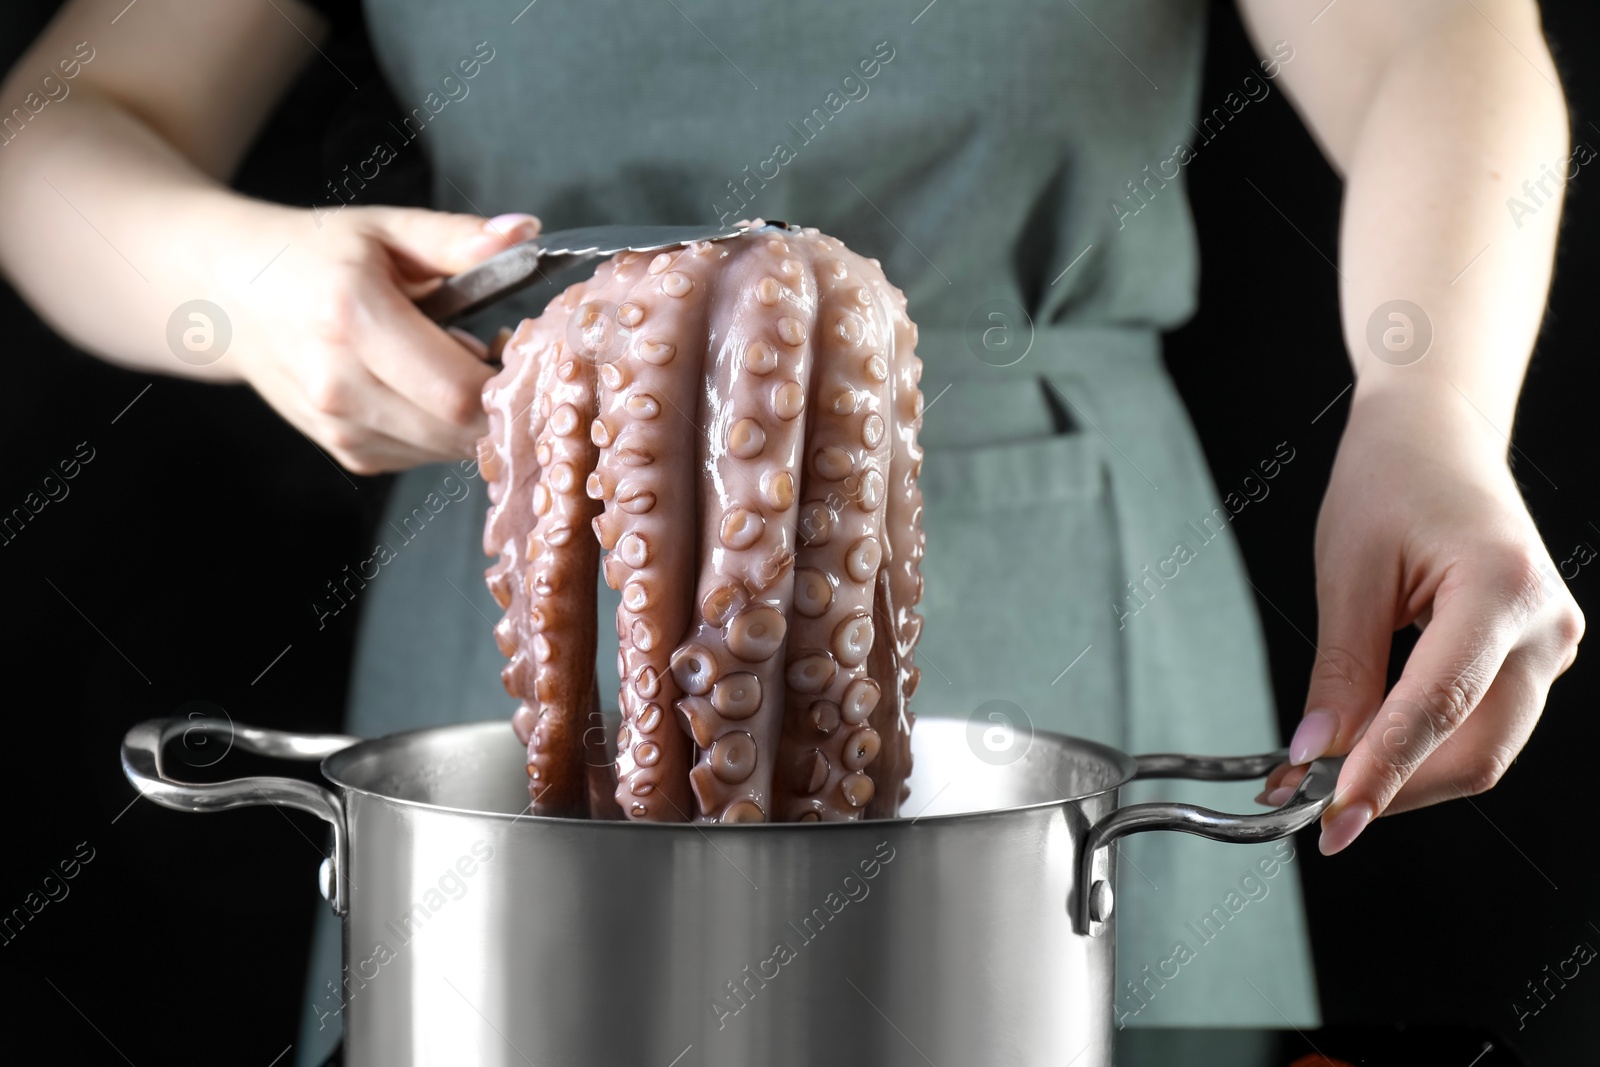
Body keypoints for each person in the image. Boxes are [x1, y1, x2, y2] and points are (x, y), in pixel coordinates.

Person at [0, 1, 1583, 1064]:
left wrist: (1431, 407)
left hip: (1075, 591)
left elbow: (1436, 40)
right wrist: (255, 288)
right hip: (537, 487)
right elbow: (56, 132)